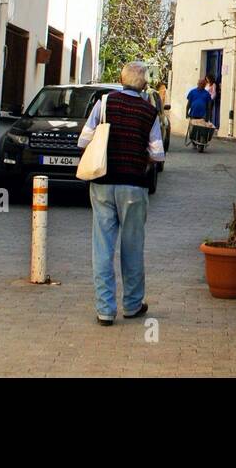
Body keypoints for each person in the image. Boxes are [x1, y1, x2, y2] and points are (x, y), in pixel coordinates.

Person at [79, 61, 163, 326]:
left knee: (102, 247)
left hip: (102, 182)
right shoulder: (149, 112)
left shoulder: (104, 103)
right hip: (134, 187)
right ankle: (132, 304)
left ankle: (105, 310)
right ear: (145, 85)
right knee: (132, 247)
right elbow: (158, 154)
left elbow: (84, 140)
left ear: (121, 78)